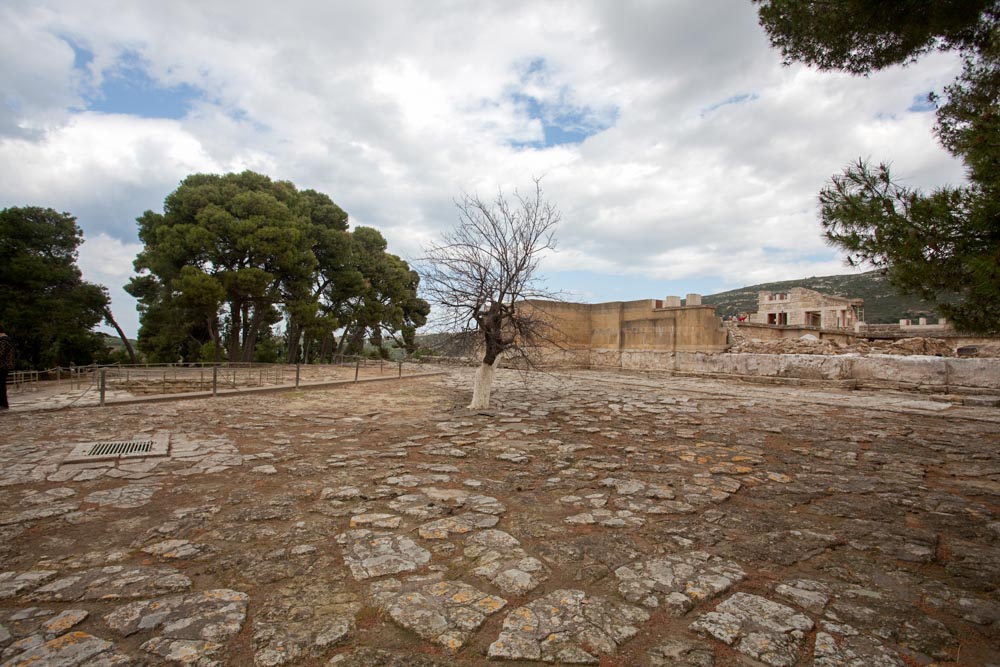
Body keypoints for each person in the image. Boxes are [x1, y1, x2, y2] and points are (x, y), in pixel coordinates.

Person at [0, 323, 12, 409]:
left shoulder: (3, 341)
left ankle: (3, 404)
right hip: (4, 366)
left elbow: (0, 353)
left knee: (1, 385)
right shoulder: (5, 340)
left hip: (2, 366)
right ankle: (3, 403)